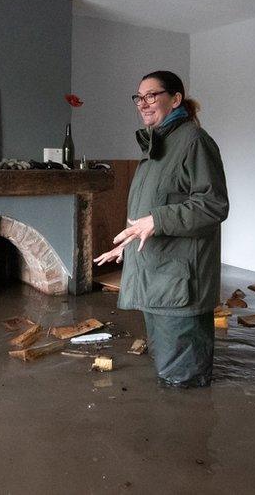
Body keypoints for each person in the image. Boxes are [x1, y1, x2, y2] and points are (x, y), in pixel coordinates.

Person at [94, 70, 229, 387]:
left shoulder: (193, 141)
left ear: (176, 99)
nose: (143, 103)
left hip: (180, 284)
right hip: (159, 278)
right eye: (139, 97)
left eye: (151, 95)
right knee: (170, 372)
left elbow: (213, 204)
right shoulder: (158, 146)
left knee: (184, 381)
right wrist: (126, 243)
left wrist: (156, 221)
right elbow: (152, 211)